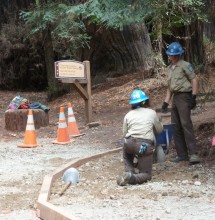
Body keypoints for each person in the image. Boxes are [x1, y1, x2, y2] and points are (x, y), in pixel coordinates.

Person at [161, 41, 200, 164]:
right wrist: (166, 102)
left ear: (179, 55)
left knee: (186, 124)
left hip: (184, 96)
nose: (172, 56)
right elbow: (170, 87)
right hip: (175, 98)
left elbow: (194, 79)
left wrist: (193, 96)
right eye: (171, 55)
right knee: (175, 126)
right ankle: (182, 154)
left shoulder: (185, 65)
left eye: (174, 55)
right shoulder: (169, 68)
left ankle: (193, 154)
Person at [117, 89, 163, 186]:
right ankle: (132, 178)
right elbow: (159, 130)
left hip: (129, 143)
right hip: (144, 145)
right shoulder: (151, 113)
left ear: (132, 104)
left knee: (127, 153)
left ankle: (129, 171)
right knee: (146, 175)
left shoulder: (128, 115)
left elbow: (124, 134)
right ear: (145, 101)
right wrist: (160, 123)